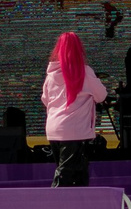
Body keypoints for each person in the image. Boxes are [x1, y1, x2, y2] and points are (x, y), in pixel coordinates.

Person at [41, 32, 108, 187]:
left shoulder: (51, 75)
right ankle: (53, 199)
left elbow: (45, 99)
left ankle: (75, 201)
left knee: (76, 172)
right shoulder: (84, 72)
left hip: (54, 128)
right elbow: (101, 96)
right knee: (67, 173)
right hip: (75, 130)